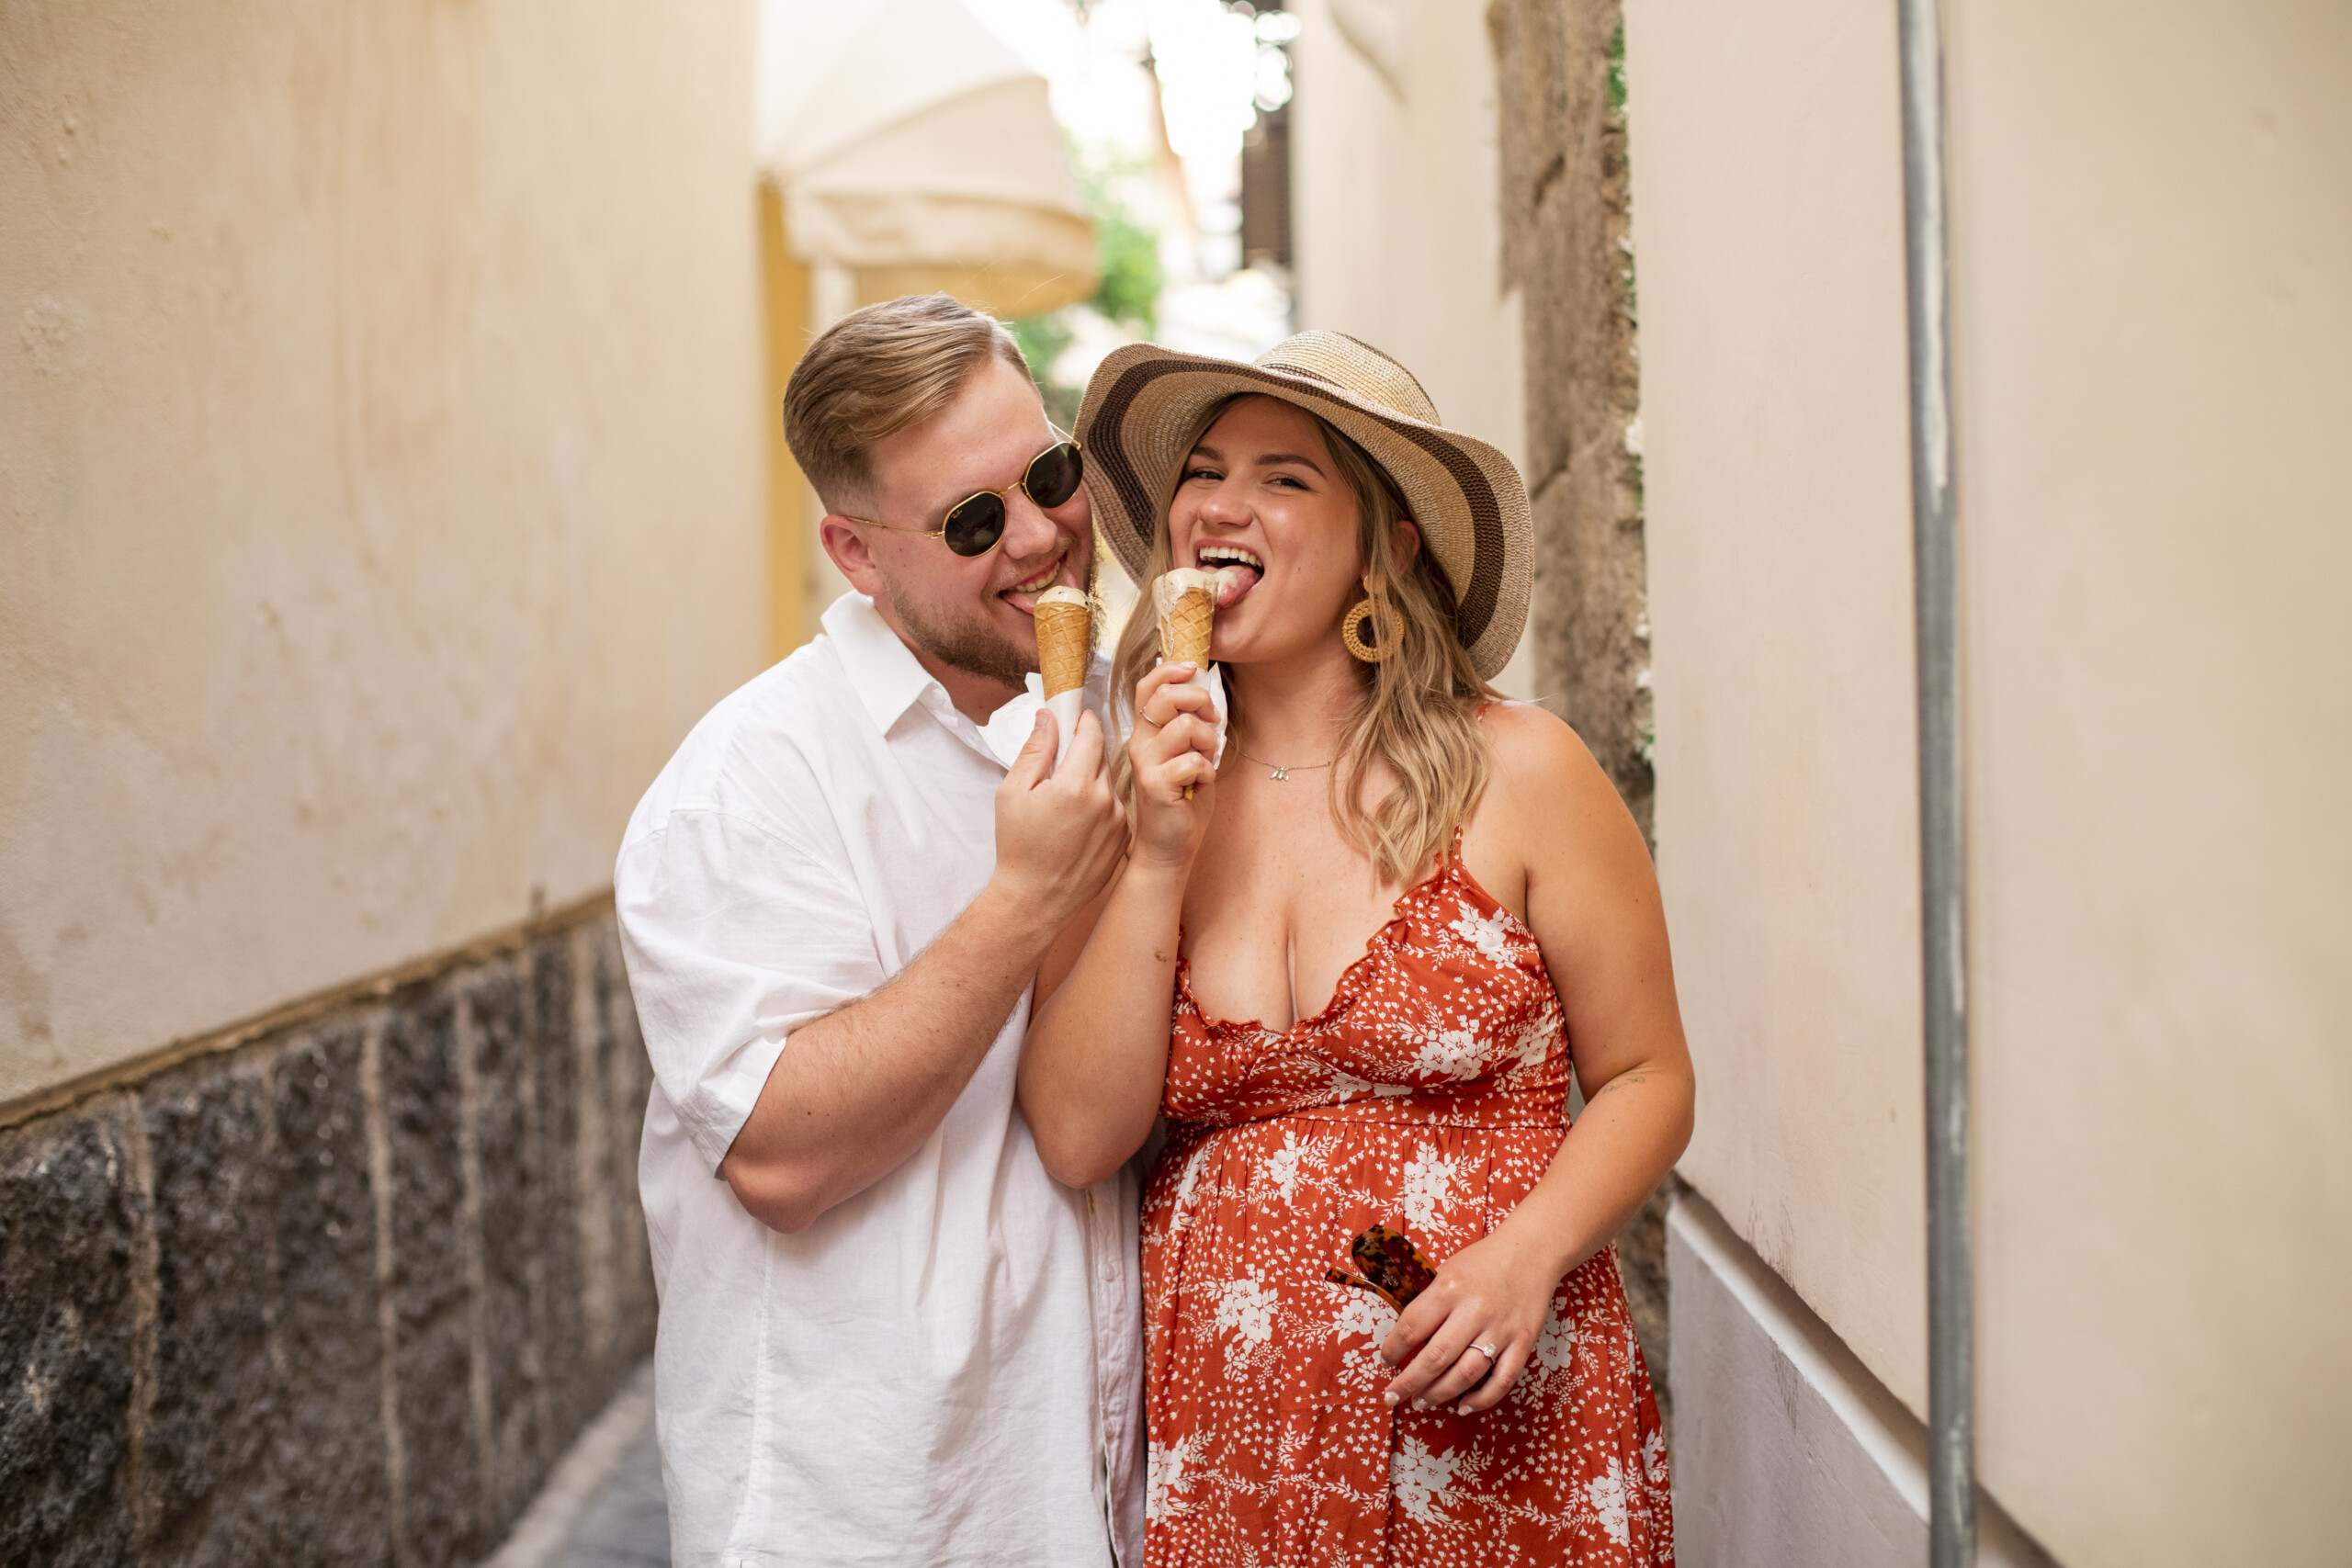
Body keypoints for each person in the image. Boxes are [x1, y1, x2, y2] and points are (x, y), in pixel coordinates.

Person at [1019, 333, 1693, 1565]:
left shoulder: (1522, 770)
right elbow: (1075, 1134)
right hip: (1243, 1452)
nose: (1223, 504)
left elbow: (1650, 1079)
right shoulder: (1124, 802)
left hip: (1503, 1439)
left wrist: (1526, 1258)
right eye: (1206, 472)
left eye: (1285, 477)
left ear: (1391, 543)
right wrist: (1157, 856)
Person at [616, 294, 1143, 1567]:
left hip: (1088, 1497)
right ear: (856, 555)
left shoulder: (1129, 719)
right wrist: (1026, 897)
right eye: (972, 521)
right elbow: (783, 1158)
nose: (1041, 540)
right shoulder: (745, 785)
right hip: (865, 1514)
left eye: (1051, 475)